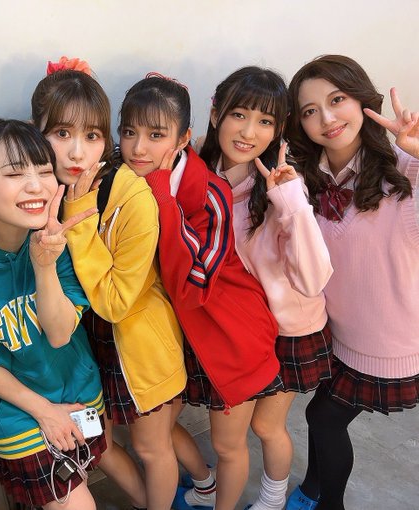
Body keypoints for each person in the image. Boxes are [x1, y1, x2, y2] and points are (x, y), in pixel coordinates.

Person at [32, 58, 197, 510]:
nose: (77, 153)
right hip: (87, 353)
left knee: (151, 447)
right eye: (61, 133)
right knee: (99, 441)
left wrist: (78, 215)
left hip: (137, 349)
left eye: (91, 136)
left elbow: (116, 302)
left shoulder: (133, 197)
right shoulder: (40, 189)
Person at [121, 73, 281, 510]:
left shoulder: (211, 192)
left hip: (230, 335)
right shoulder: (126, 178)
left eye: (156, 135)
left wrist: (161, 196)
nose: (138, 147)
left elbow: (193, 285)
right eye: (129, 132)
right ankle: (204, 484)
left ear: (183, 138)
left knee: (228, 444)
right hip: (181, 336)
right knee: (154, 430)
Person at [0, 118, 106, 510]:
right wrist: (44, 412)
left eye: (44, 172)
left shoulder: (57, 240)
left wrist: (45, 266)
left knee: (84, 476)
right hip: (12, 411)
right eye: (14, 174)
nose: (36, 186)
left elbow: (60, 335)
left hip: (75, 388)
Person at [284, 54, 419, 510]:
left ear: (362, 100)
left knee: (324, 418)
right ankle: (312, 491)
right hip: (341, 334)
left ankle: (328, 505)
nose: (326, 118)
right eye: (310, 110)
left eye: (337, 99)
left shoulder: (406, 169)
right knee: (322, 415)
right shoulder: (309, 177)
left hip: (387, 341)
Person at [197, 66, 333, 510]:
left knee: (266, 427)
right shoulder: (200, 174)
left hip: (288, 329)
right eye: (239, 114)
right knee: (234, 434)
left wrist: (290, 202)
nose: (248, 132)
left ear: (278, 129)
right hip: (239, 330)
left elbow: (313, 279)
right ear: (215, 114)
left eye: (264, 121)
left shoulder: (281, 187)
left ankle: (273, 500)